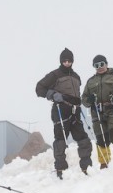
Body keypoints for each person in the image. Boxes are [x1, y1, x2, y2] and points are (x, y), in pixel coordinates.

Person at [35, 48, 93, 178]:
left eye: (69, 61)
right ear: (61, 61)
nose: (67, 63)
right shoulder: (55, 75)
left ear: (72, 61)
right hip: (61, 110)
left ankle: (86, 166)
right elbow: (39, 88)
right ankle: (61, 169)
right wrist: (52, 94)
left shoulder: (76, 77)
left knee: (83, 138)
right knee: (60, 139)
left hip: (75, 111)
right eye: (64, 61)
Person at [81, 54, 113, 168]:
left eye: (102, 64)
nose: (99, 67)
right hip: (96, 112)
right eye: (96, 65)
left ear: (106, 64)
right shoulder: (90, 81)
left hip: (111, 109)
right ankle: (103, 162)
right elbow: (84, 99)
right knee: (100, 137)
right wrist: (89, 100)